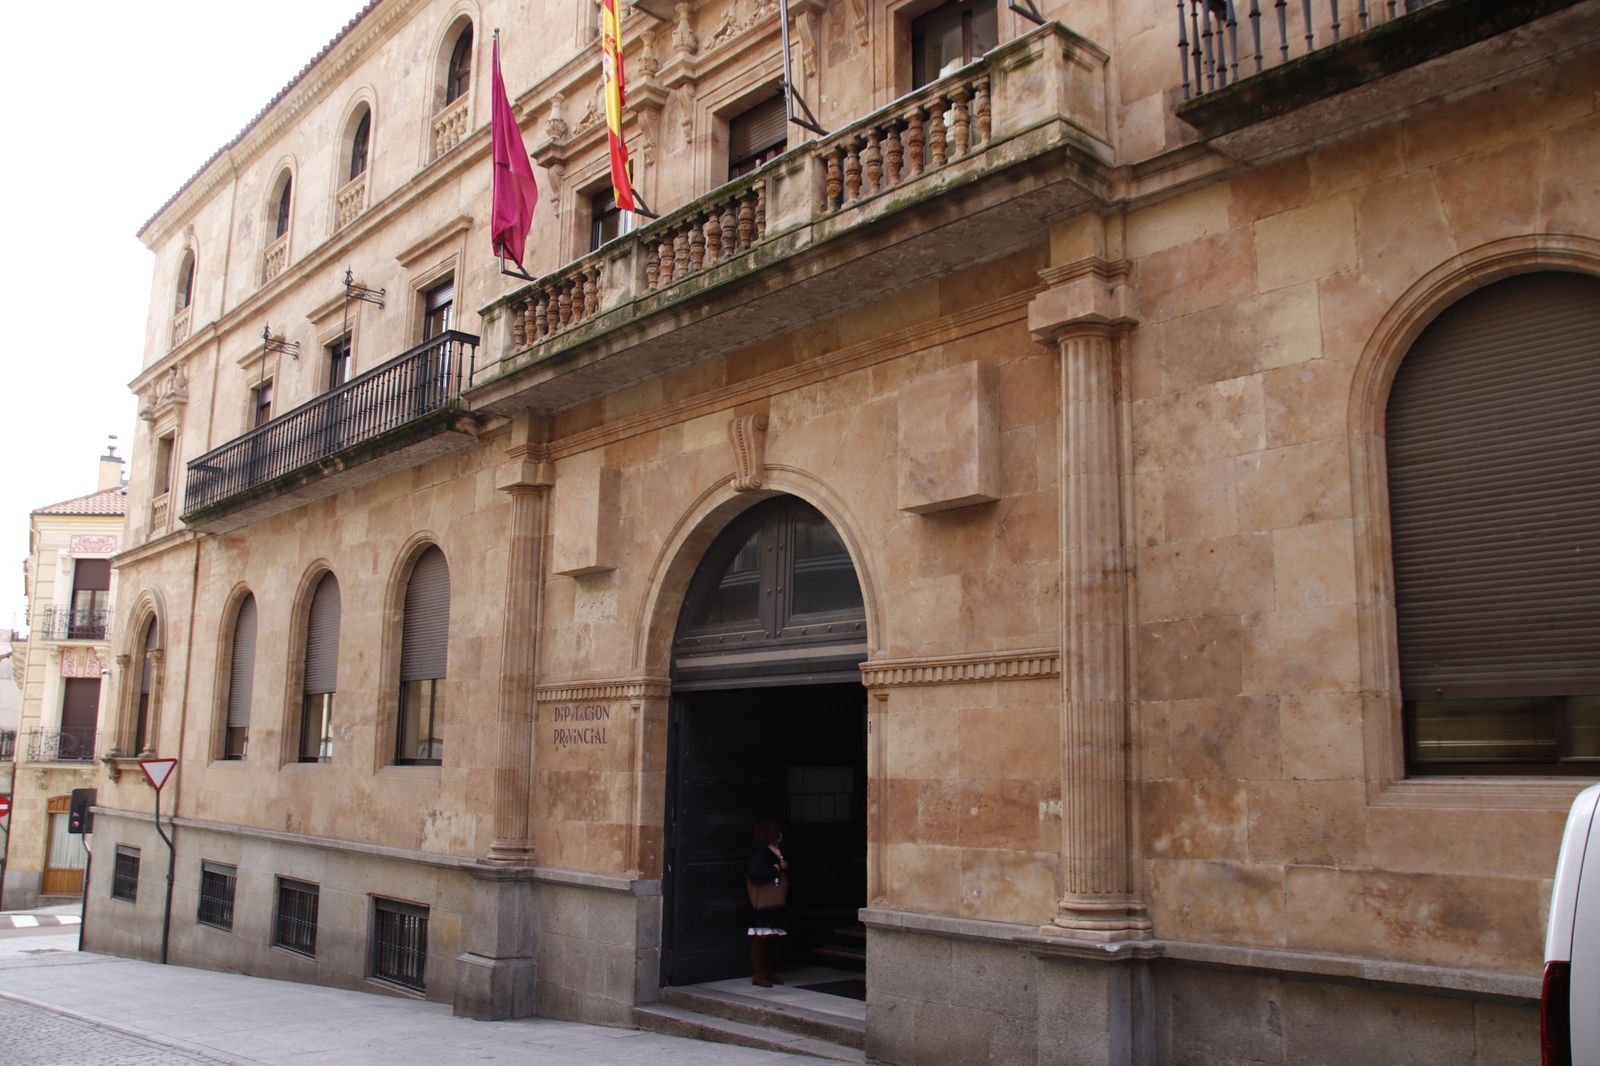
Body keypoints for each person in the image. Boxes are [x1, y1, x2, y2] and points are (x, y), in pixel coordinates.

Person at [746, 818, 788, 987]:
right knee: (762, 938)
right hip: (763, 901)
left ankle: (769, 971)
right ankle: (759, 973)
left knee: (772, 937)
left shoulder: (775, 850)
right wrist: (777, 869)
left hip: (773, 901)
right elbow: (755, 875)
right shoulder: (761, 852)